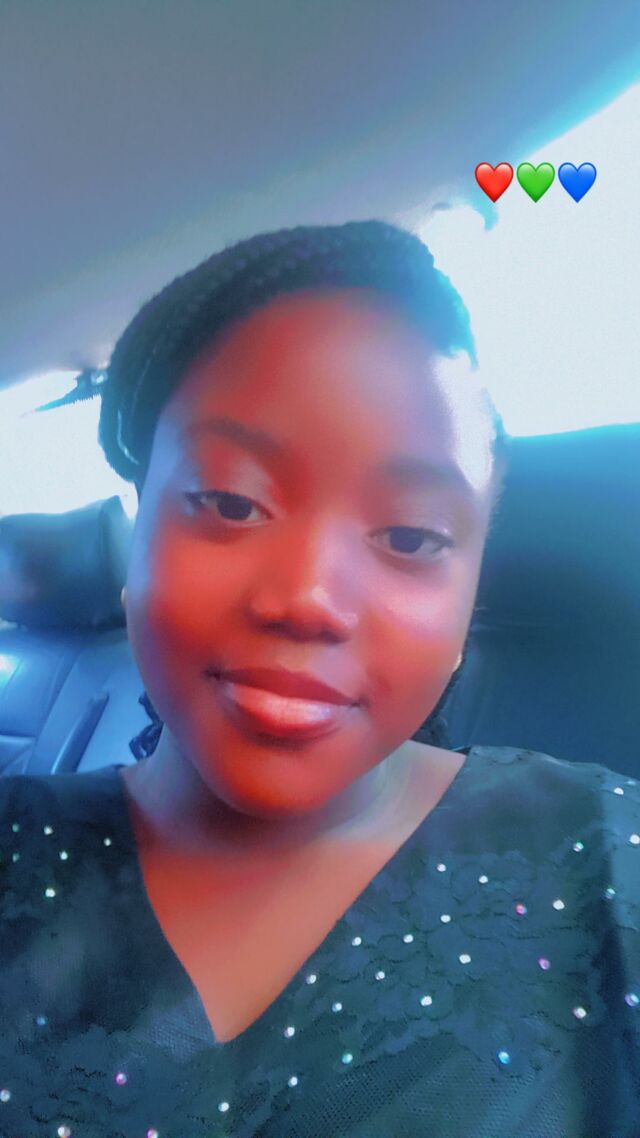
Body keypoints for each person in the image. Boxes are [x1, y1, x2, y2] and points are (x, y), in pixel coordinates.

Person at [1, 221, 638, 1137]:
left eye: (411, 537)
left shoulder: (608, 858)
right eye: (230, 502)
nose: (307, 599)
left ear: (471, 592)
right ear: (139, 528)